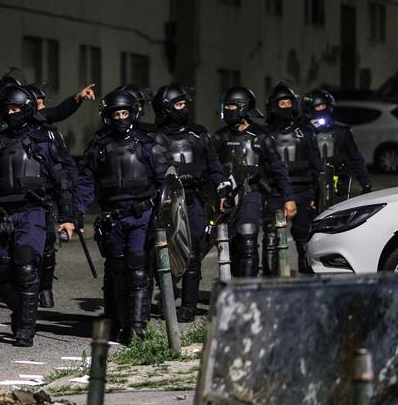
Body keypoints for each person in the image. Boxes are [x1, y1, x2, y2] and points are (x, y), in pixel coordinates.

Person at [0, 84, 75, 347]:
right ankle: (21, 310)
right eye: (7, 108)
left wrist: (68, 217)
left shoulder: (42, 141)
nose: (11, 113)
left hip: (31, 211)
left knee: (25, 268)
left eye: (15, 108)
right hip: (3, 213)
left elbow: (62, 181)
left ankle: (26, 329)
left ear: (26, 109)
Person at [75, 89, 167, 344]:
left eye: (124, 112)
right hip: (112, 218)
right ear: (108, 115)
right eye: (116, 113)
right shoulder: (99, 146)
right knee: (116, 271)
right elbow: (85, 182)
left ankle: (137, 329)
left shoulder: (147, 144)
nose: (120, 118)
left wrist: (164, 215)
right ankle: (122, 324)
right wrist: (77, 213)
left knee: (138, 270)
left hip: (142, 215)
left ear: (133, 113)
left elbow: (164, 182)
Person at [151, 84, 230, 322]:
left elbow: (214, 165)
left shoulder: (198, 134)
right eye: (179, 104)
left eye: (185, 103)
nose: (184, 108)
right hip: (167, 201)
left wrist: (222, 188)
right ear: (166, 109)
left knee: (193, 252)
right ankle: (167, 296)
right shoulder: (154, 137)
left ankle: (188, 306)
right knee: (163, 252)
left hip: (195, 198)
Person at [213, 87, 294, 278]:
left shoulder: (261, 137)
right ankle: (232, 288)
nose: (228, 110)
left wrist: (288, 198)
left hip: (252, 194)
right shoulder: (219, 137)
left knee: (248, 242)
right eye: (227, 106)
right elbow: (213, 168)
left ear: (243, 108)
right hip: (226, 196)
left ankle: (248, 290)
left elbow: (278, 168)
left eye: (232, 106)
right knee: (231, 245)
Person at [24, 84, 78, 309]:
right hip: (19, 197)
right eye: (39, 102)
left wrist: (70, 208)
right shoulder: (8, 132)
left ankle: (44, 287)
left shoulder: (49, 133)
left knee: (46, 243)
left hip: (46, 196)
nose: (43, 106)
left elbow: (64, 166)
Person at [265, 83, 325, 275]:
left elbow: (316, 165)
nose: (285, 107)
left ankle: (306, 277)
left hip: (302, 191)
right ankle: (270, 281)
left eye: (288, 102)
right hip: (274, 193)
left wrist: (317, 194)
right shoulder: (265, 135)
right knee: (271, 239)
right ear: (274, 106)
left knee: (303, 238)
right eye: (281, 103)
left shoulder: (304, 132)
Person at [304, 88, 371, 200]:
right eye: (317, 107)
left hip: (338, 184)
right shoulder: (305, 132)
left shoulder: (341, 131)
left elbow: (355, 157)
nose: (320, 109)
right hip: (312, 186)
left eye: (323, 106)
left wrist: (366, 183)